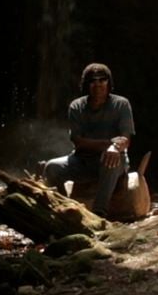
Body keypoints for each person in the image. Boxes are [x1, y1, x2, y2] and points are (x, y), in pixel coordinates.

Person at [43, 62, 135, 218]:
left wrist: (114, 148)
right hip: (82, 161)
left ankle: (99, 213)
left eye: (102, 79)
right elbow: (78, 141)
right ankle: (63, 207)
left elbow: (126, 138)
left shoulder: (121, 104)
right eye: (93, 80)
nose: (98, 84)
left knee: (110, 160)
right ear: (86, 84)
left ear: (109, 82)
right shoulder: (76, 106)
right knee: (51, 167)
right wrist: (110, 143)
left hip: (113, 160)